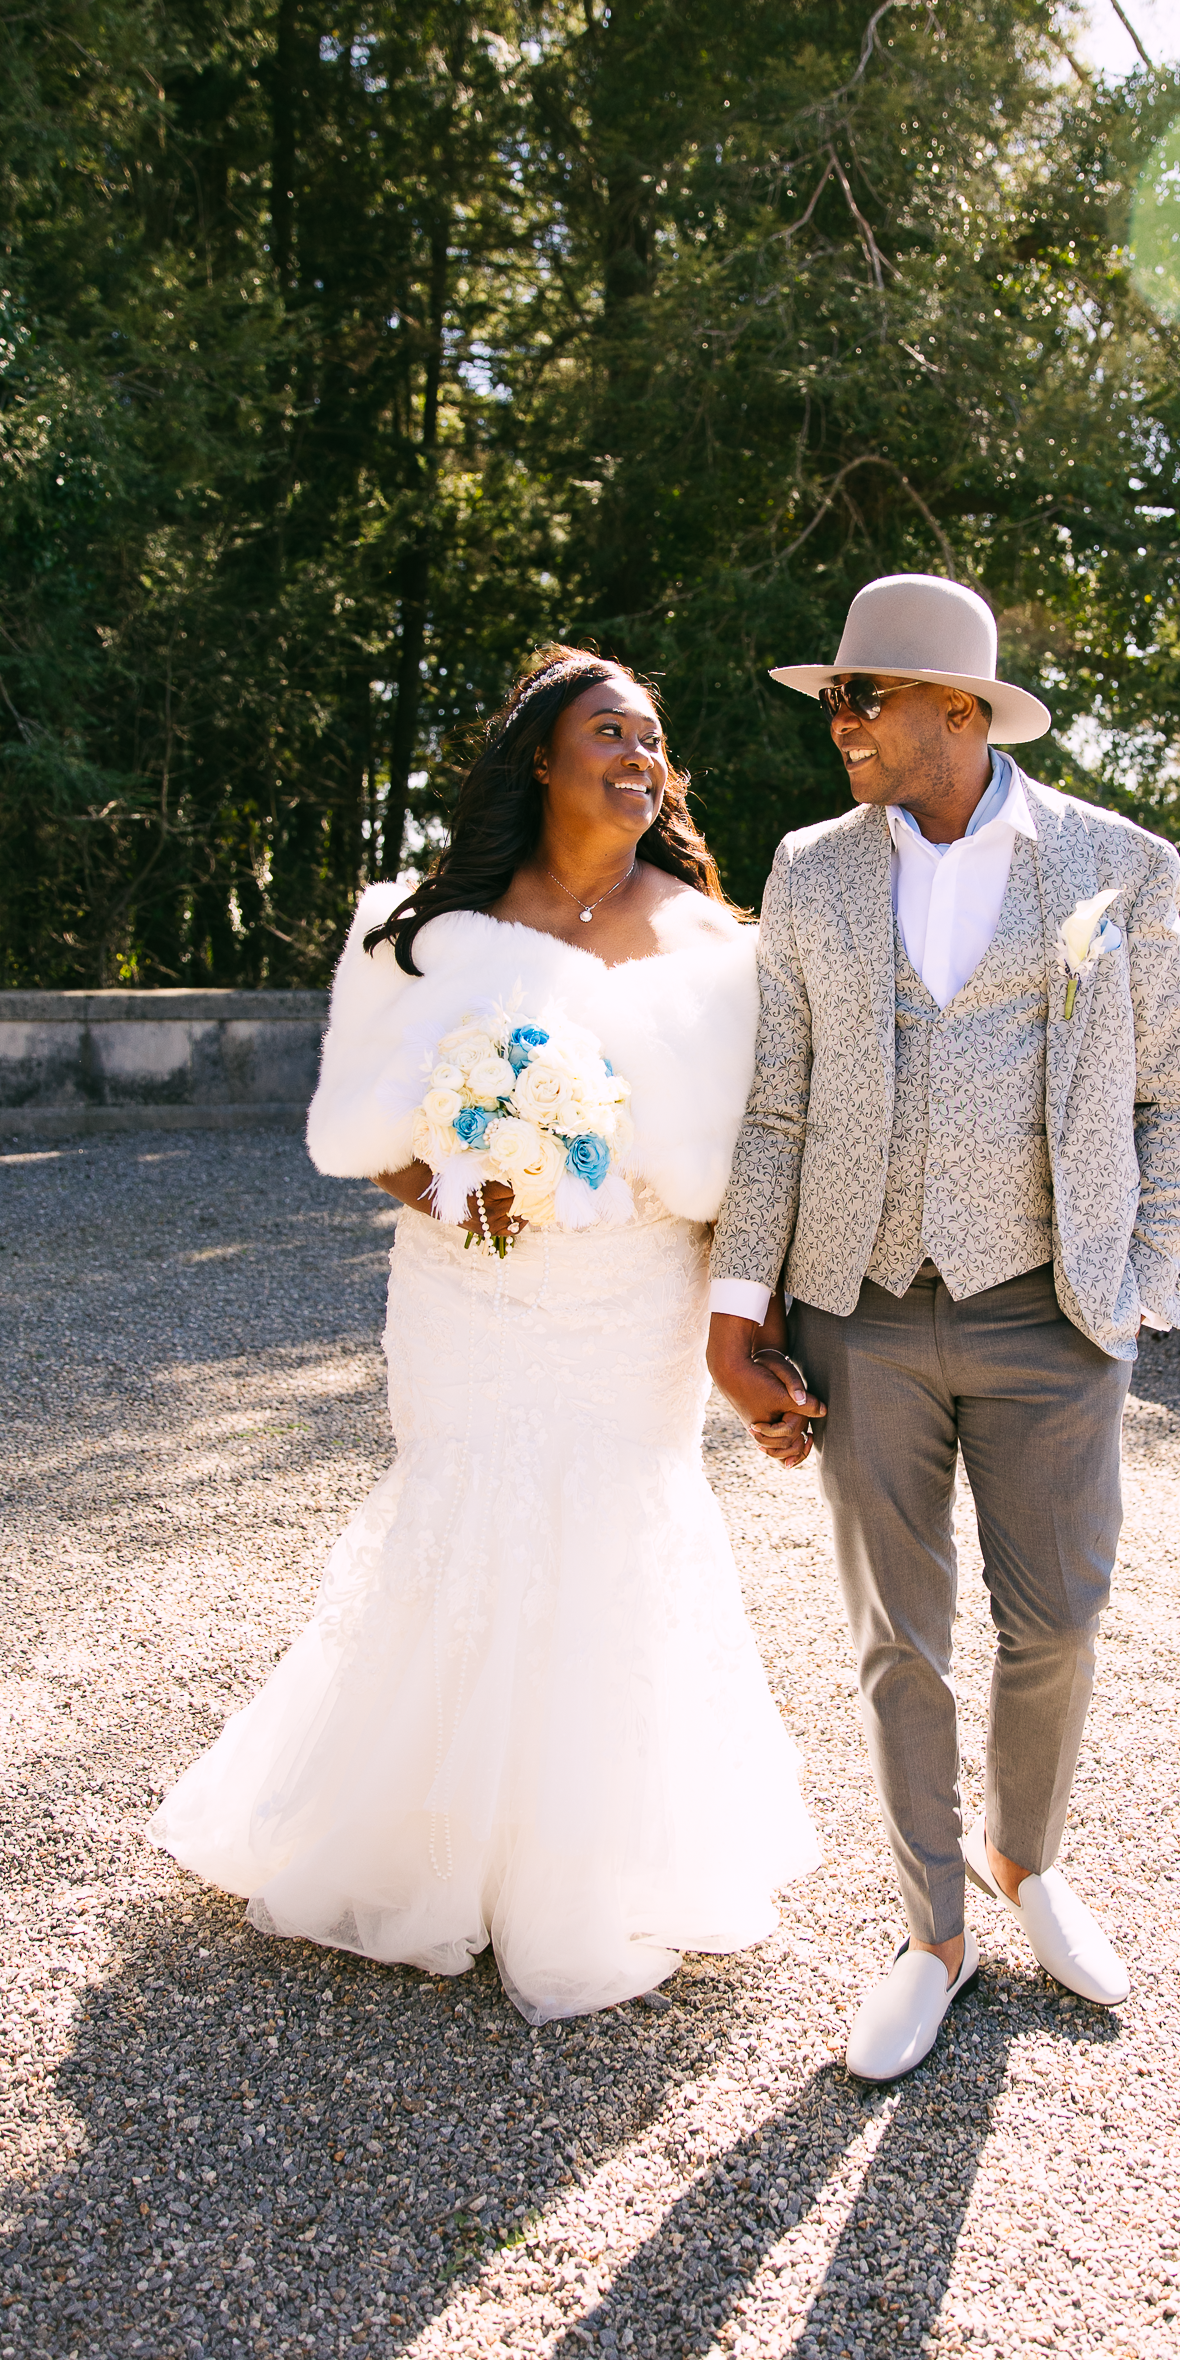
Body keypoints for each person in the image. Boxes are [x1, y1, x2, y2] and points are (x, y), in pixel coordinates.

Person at [149, 648, 819, 2023]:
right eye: (608, 732)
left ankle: (587, 1871)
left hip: (631, 1297)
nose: (640, 757)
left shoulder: (718, 946)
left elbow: (755, 1157)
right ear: (540, 756)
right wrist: (449, 1177)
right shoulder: (423, 926)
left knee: (613, 1528)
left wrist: (744, 1328)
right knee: (459, 1518)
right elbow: (358, 1123)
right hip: (464, 1295)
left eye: (654, 737)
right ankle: (413, 1852)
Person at [706, 573, 1180, 2082]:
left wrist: (1133, 1290)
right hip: (857, 1313)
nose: (839, 724)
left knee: (1056, 1620)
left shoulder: (1114, 867)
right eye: (835, 699)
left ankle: (1026, 1859)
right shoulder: (807, 873)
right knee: (896, 1644)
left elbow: (1175, 1098)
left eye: (862, 699)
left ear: (959, 711)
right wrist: (740, 1316)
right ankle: (935, 1932)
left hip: (1049, 1315)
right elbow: (777, 1110)